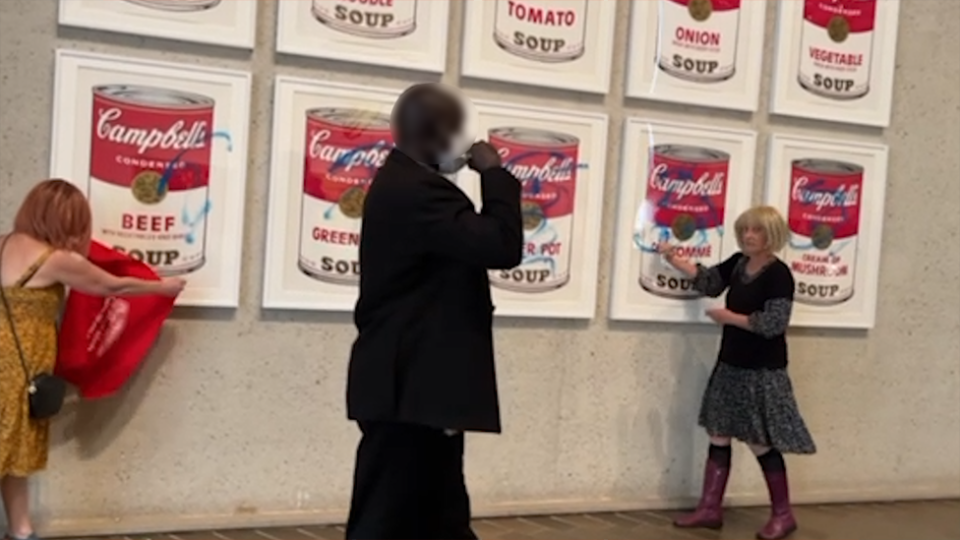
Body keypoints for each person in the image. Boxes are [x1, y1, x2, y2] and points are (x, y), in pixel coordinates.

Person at [344, 83, 523, 539]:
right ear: (441, 133)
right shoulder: (416, 190)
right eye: (460, 130)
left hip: (421, 385)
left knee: (440, 511)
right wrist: (494, 173)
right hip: (411, 385)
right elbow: (501, 245)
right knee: (387, 515)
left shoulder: (408, 183)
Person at [1, 179, 185, 540]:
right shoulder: (53, 260)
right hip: (16, 366)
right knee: (11, 444)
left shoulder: (4, 244)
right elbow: (110, 286)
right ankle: (21, 530)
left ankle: (21, 529)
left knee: (13, 448)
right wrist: (161, 288)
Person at [659, 205, 815, 540]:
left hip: (761, 370)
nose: (748, 236)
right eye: (745, 230)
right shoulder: (739, 263)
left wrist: (729, 318)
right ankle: (710, 508)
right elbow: (710, 281)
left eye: (755, 230)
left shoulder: (778, 275)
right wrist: (674, 258)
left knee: (760, 441)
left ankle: (783, 515)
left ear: (770, 235)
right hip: (730, 362)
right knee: (718, 432)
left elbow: (774, 324)